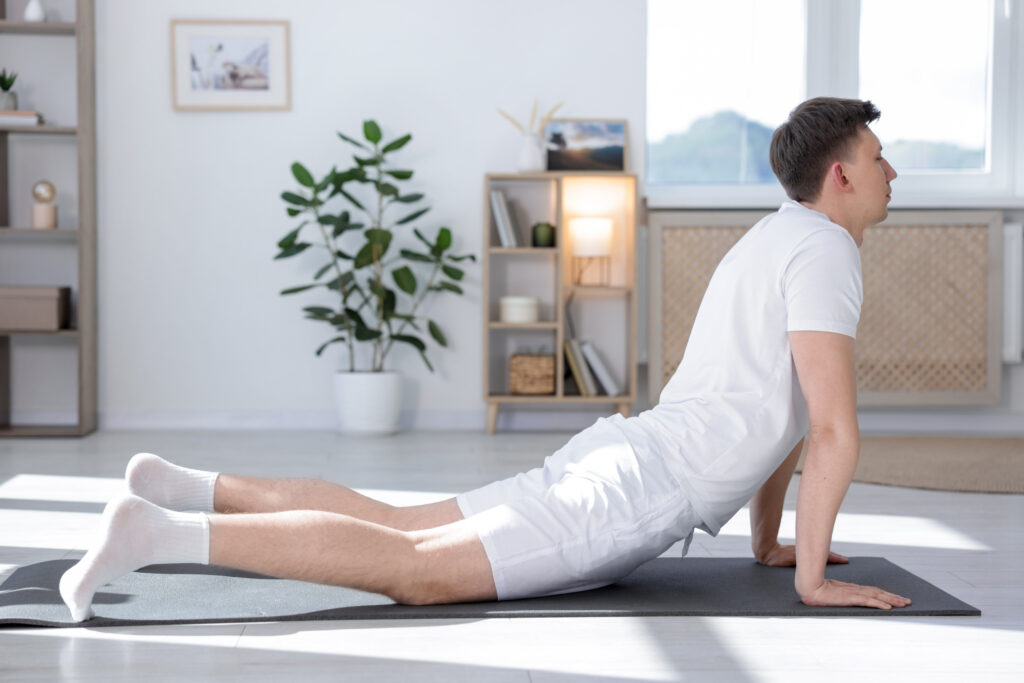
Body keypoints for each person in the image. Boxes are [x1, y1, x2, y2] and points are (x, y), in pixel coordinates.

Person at [59, 97, 909, 622]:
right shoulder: (829, 255)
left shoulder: (777, 237)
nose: (891, 170)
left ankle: (182, 486)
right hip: (640, 489)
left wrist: (771, 543)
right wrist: (808, 579)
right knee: (417, 571)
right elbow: (833, 429)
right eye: (877, 158)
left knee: (402, 524)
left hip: (625, 454)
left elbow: (787, 418)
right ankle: (159, 531)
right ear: (838, 175)